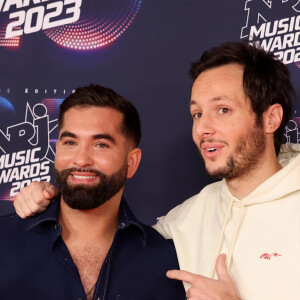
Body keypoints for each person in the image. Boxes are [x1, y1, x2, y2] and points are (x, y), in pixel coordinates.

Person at [13, 42, 300, 300]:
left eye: (222, 110)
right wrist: (45, 194)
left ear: (270, 118)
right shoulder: (187, 218)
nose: (202, 128)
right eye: (197, 114)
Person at [0, 84, 186, 300]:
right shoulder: (4, 241)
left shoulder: (169, 261)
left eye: (100, 145)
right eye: (70, 142)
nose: (81, 159)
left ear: (132, 162)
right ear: (57, 149)